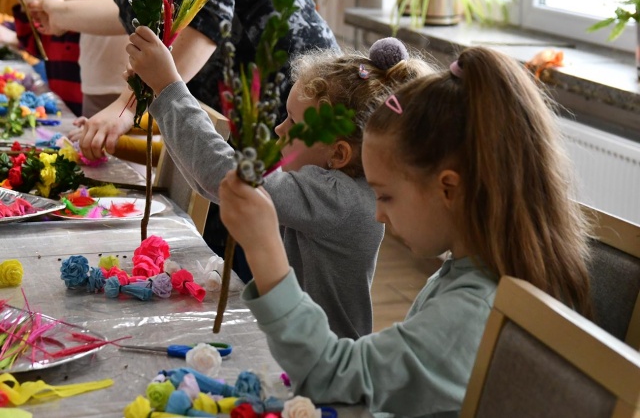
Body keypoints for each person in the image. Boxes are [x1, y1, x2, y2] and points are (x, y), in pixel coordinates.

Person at [217, 46, 594, 417]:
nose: (379, 215)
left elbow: (330, 375)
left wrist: (265, 250)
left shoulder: (471, 311)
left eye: (385, 196)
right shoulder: (468, 273)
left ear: (448, 189)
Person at [125, 28, 433, 339]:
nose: (279, 128)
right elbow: (213, 182)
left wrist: (169, 87)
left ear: (338, 154)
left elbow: (224, 176)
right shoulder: (337, 185)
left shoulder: (339, 199)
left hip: (323, 357)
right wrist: (162, 93)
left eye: (293, 122)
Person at [77, 0, 340, 283]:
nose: (281, 128)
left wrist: (157, 89)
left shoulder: (322, 191)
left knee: (247, 244)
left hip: (278, 85)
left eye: (288, 123)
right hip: (255, 97)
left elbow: (207, 24)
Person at [26, 0, 129, 118]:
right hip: (94, 78)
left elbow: (129, 3)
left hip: (129, 82)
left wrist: (60, 14)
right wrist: (60, 14)